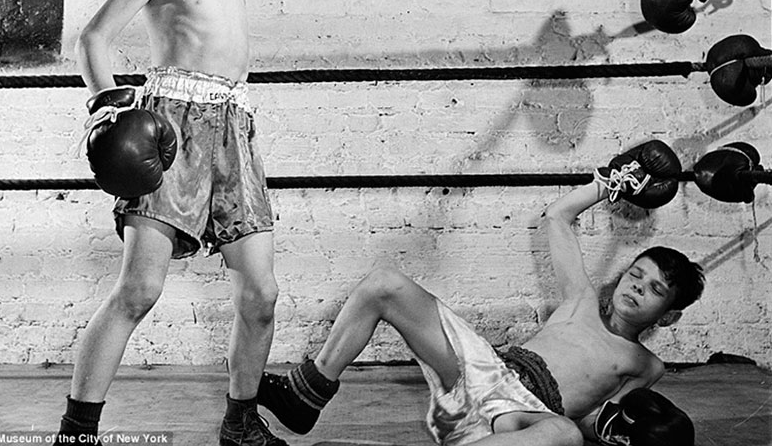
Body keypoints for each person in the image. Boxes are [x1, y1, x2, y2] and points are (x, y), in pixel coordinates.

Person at [60, 0, 456, 446]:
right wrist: (111, 110)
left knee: (262, 293)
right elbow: (94, 40)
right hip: (172, 127)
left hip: (234, 129)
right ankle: (77, 431)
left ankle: (240, 423)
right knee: (138, 290)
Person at [257, 140, 705, 445]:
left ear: (667, 316)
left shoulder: (646, 364)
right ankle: (307, 393)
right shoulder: (581, 301)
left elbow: (593, 418)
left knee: (564, 435)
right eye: (635, 275)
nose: (635, 289)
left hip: (523, 415)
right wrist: (609, 182)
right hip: (484, 370)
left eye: (654, 290)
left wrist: (615, 431)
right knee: (384, 283)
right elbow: (557, 218)